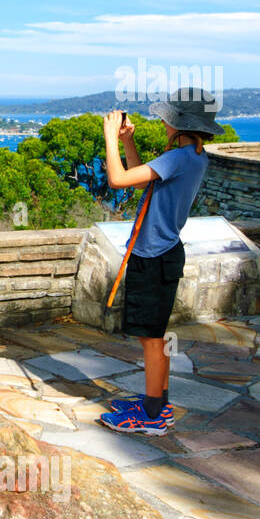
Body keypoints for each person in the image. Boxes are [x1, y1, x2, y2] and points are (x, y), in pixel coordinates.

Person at [98, 87, 225, 436]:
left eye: (168, 118)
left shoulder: (179, 158)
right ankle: (155, 403)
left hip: (154, 256)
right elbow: (142, 182)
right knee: (152, 337)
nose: (163, 123)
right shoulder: (192, 156)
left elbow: (118, 180)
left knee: (152, 339)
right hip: (162, 253)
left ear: (181, 124)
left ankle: (153, 416)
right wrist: (127, 143)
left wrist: (109, 136)